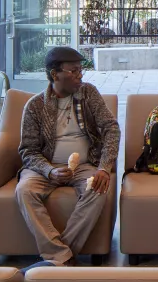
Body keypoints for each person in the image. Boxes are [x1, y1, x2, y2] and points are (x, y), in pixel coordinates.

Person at [16, 46, 120, 266]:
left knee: (98, 189)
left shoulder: (88, 93)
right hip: (46, 166)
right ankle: (63, 257)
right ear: (55, 74)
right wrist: (49, 170)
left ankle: (59, 258)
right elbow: (28, 150)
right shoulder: (35, 106)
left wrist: (103, 167)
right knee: (24, 190)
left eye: (81, 69)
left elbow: (111, 128)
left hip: (84, 165)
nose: (80, 75)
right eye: (74, 71)